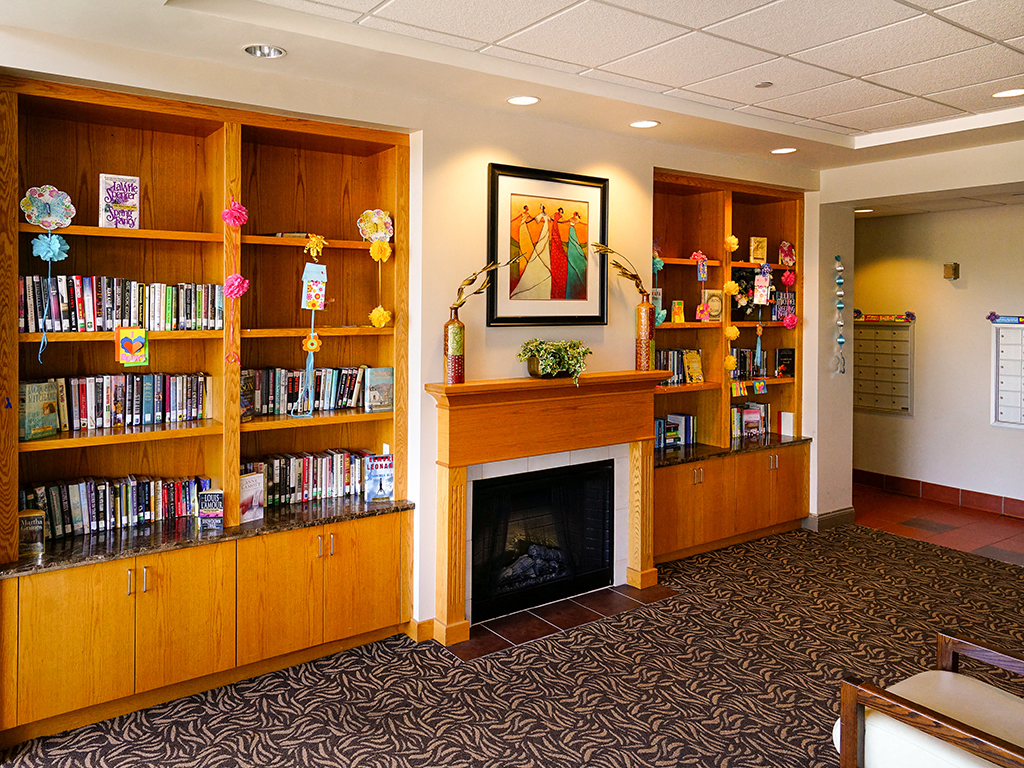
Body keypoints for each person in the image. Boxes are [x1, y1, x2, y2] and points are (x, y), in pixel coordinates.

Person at [511, 205, 552, 299]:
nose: (527, 209)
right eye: (526, 208)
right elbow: (533, 219)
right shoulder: (524, 214)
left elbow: (537, 219)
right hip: (523, 226)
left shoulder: (543, 215)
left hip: (544, 229)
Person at [565, 211, 587, 300]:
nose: (574, 215)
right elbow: (565, 221)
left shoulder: (576, 220)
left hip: (572, 229)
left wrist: (587, 224)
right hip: (571, 229)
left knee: (574, 241)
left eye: (575, 214)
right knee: (571, 240)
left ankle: (576, 252)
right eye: (574, 214)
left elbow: (582, 223)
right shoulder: (571, 219)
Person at [549, 207, 568, 299]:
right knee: (555, 236)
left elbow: (564, 220)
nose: (560, 212)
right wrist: (554, 221)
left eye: (561, 211)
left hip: (555, 225)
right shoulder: (556, 214)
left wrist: (565, 221)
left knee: (557, 238)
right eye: (560, 210)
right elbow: (551, 217)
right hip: (554, 225)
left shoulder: (560, 216)